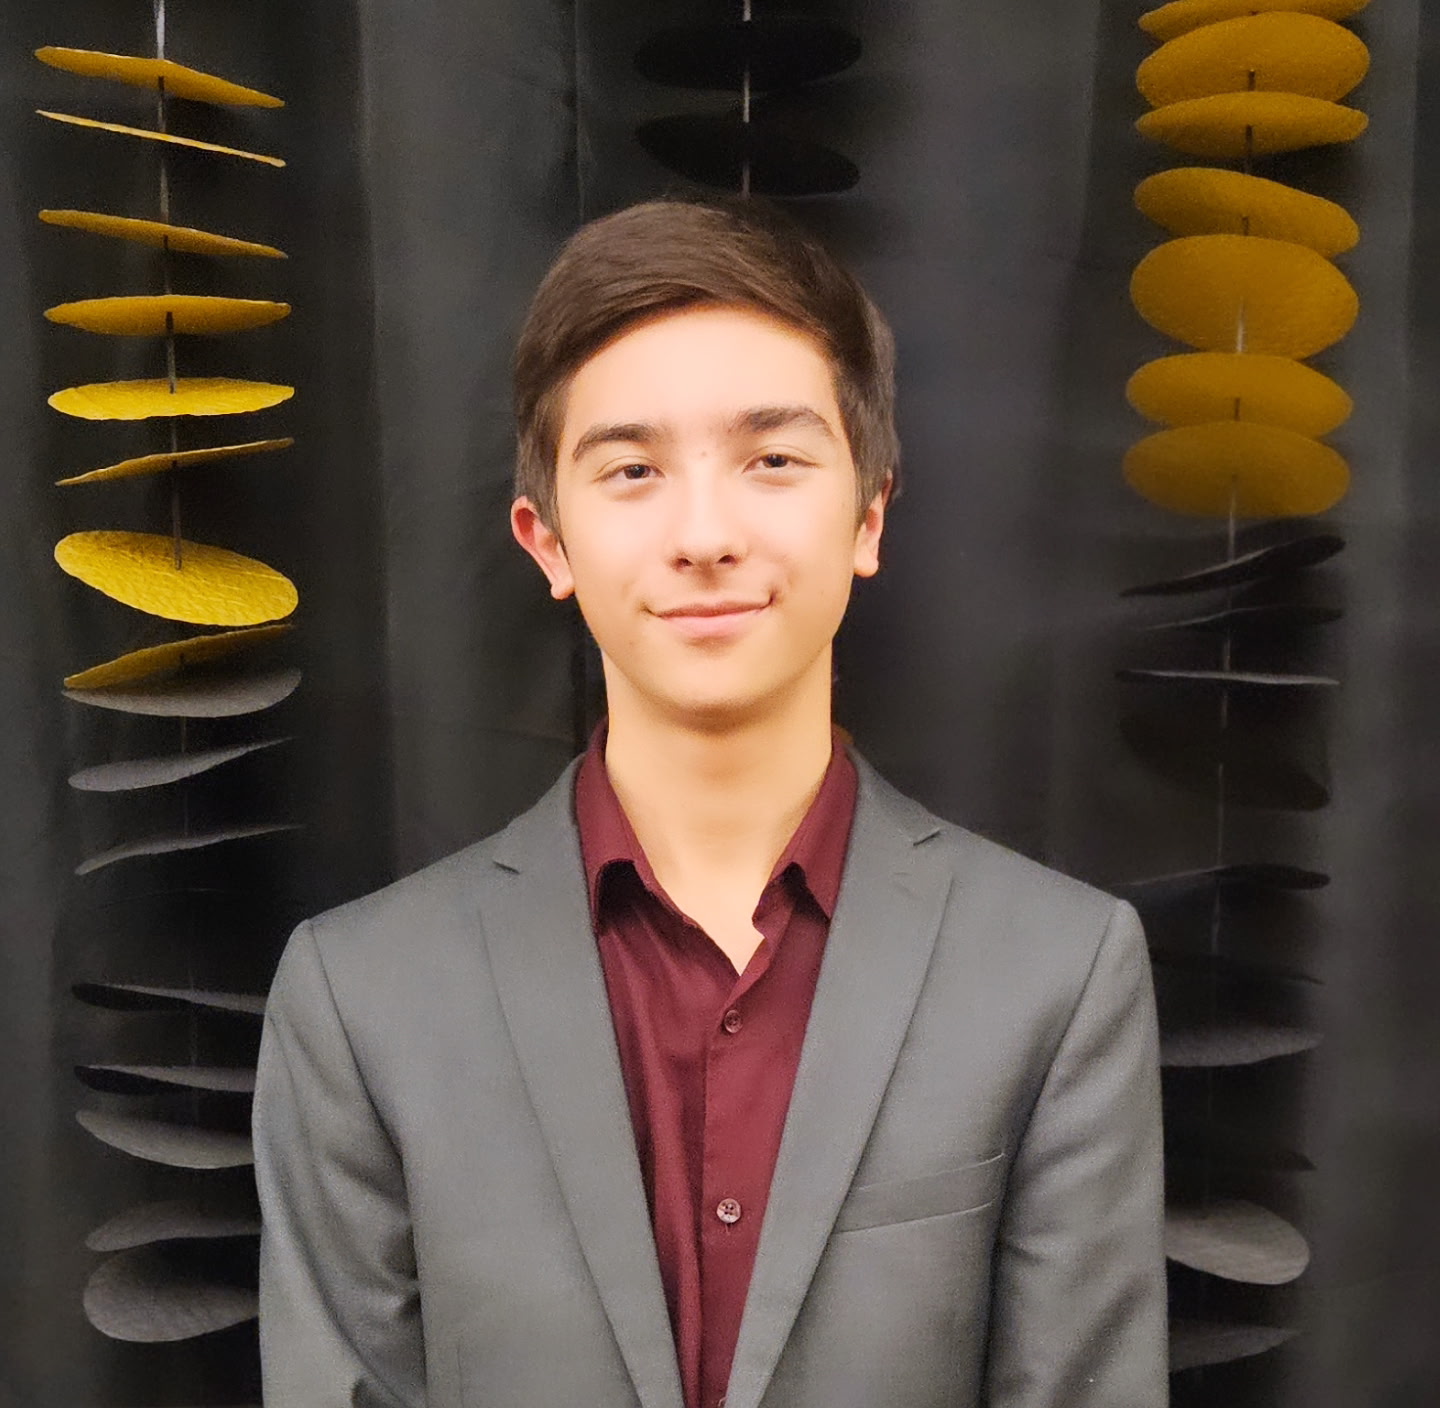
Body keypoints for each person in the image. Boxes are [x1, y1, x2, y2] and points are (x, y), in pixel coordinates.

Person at [253, 195, 1166, 1408]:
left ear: (870, 513)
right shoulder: (361, 999)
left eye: (773, 460)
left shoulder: (1059, 971)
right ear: (547, 540)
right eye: (631, 470)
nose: (704, 534)